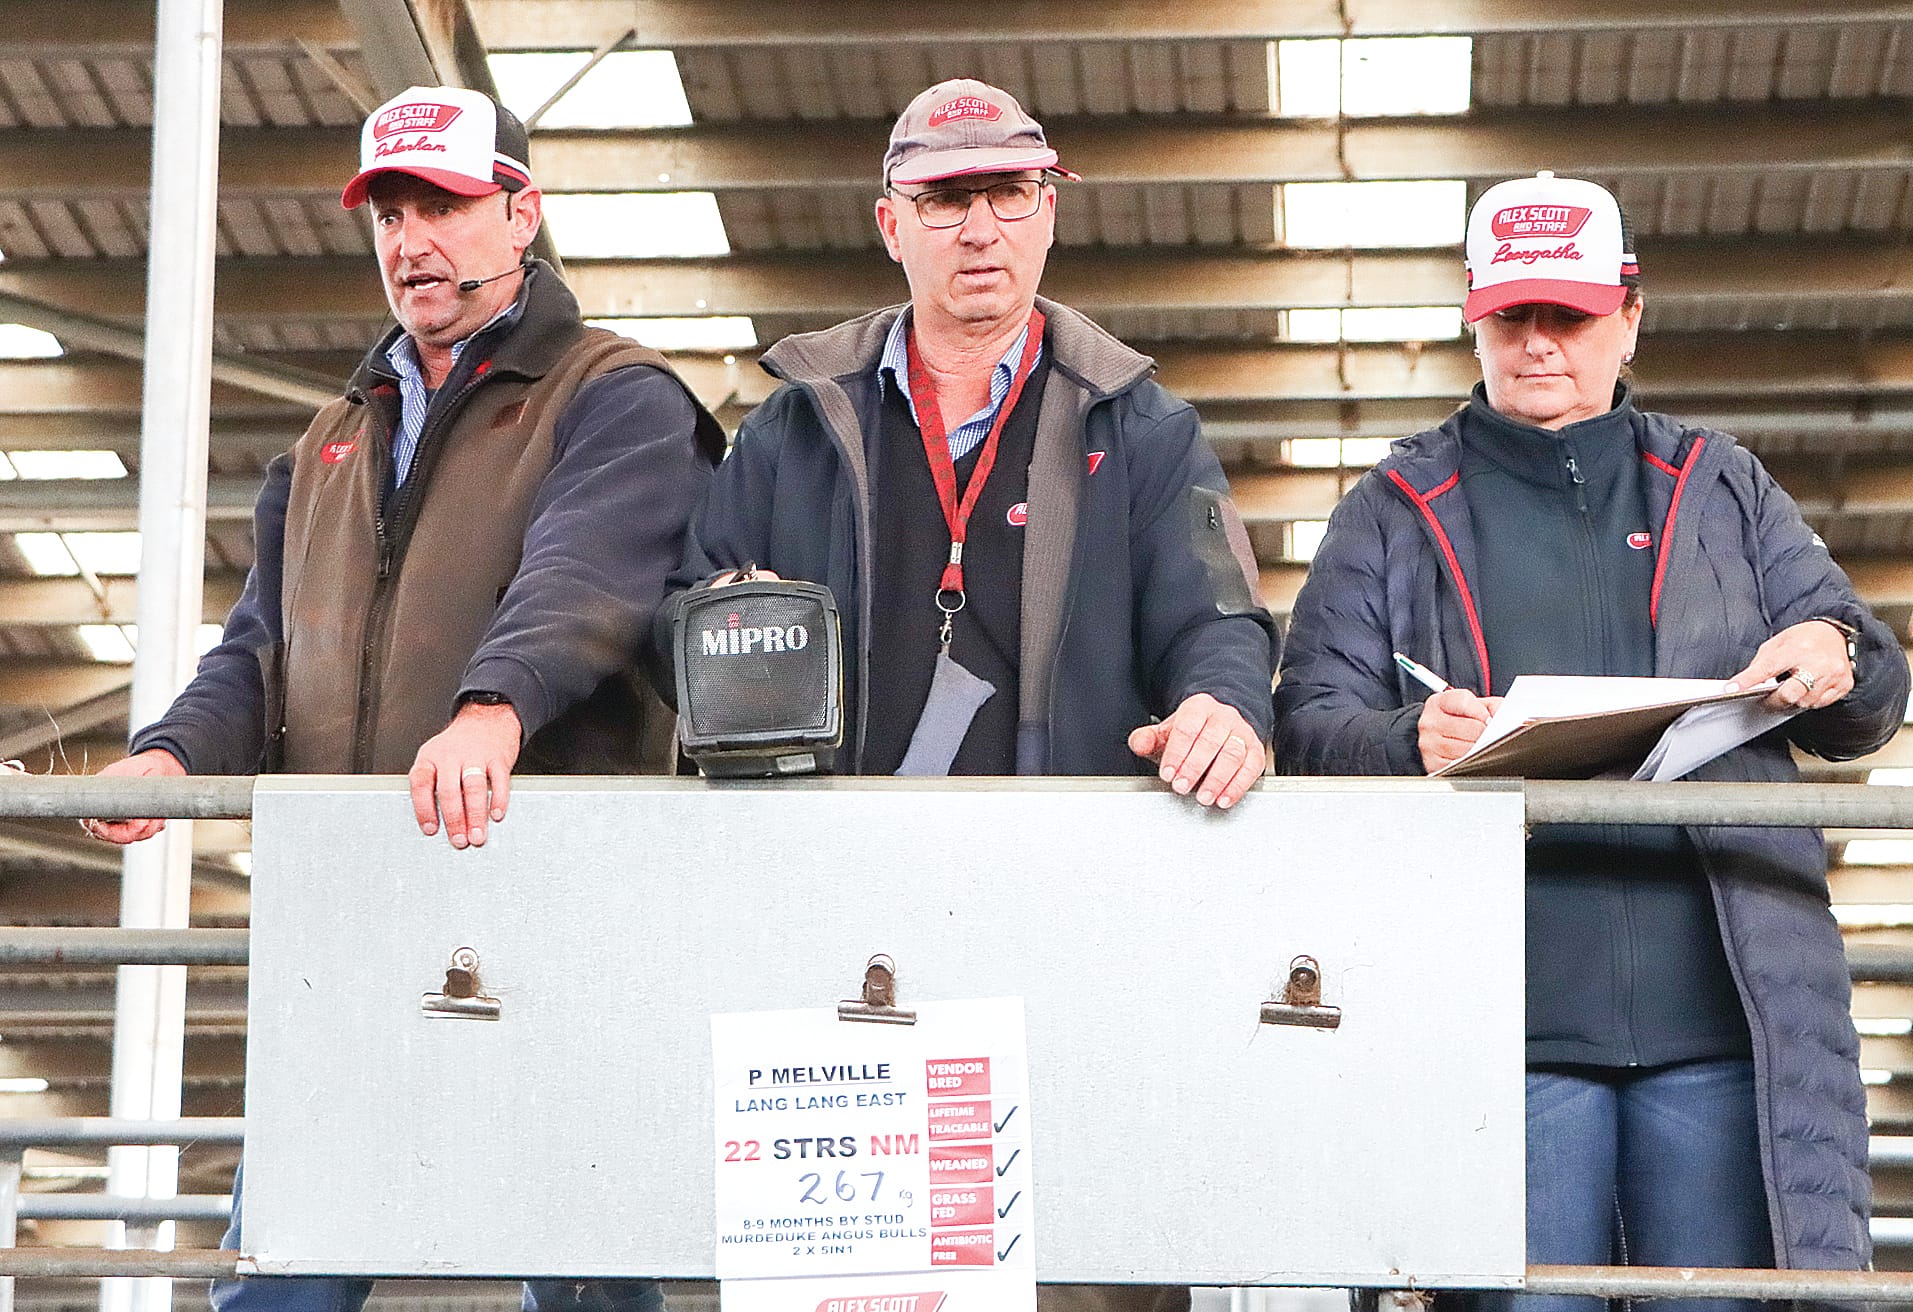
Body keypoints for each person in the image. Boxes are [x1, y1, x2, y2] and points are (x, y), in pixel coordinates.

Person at [85, 85, 725, 1312]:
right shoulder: (325, 442)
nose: (409, 240)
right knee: (287, 1263)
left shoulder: (618, 398)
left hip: (553, 908)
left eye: (442, 204)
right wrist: (170, 755)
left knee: (584, 1264)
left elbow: (582, 577)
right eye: (387, 210)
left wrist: (495, 704)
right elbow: (262, 653)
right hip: (355, 911)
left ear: (520, 214)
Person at [1274, 171, 1908, 1309]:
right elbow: (1305, 726)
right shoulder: (1391, 509)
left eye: (1564, 315)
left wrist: (1829, 647)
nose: (1535, 342)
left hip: (1721, 1030)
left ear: (1627, 318)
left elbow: (1871, 686)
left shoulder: (1722, 489)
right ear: (1472, 319)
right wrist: (1402, 736)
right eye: (1509, 316)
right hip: (1496, 1039)